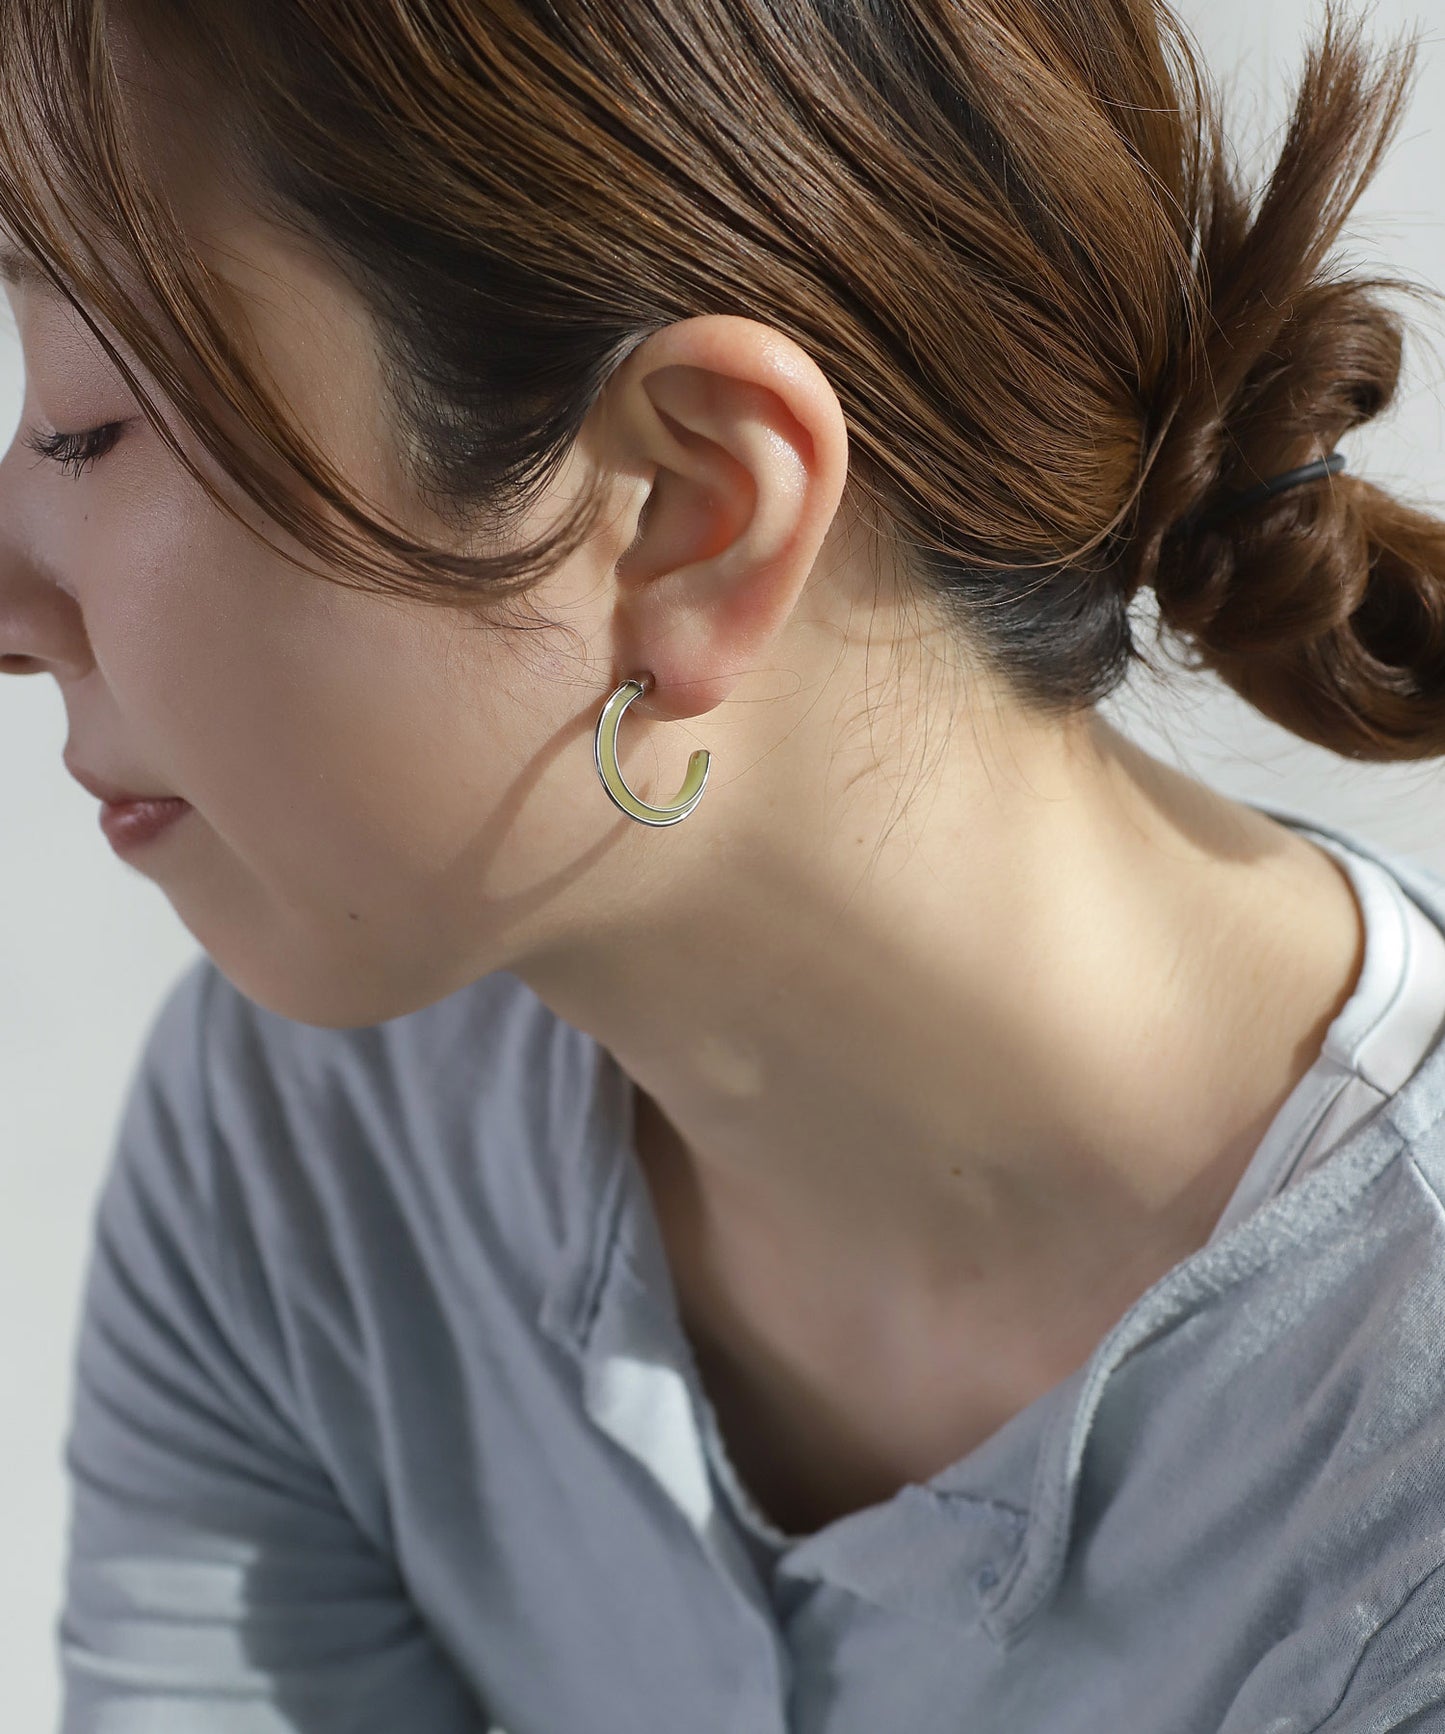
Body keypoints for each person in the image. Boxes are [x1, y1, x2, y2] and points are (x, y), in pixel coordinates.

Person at [4, 0, 1445, 1726]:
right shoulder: (312, 1163)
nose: (13, 598)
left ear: (688, 510)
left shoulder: (1399, 1500)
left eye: (84, 422)